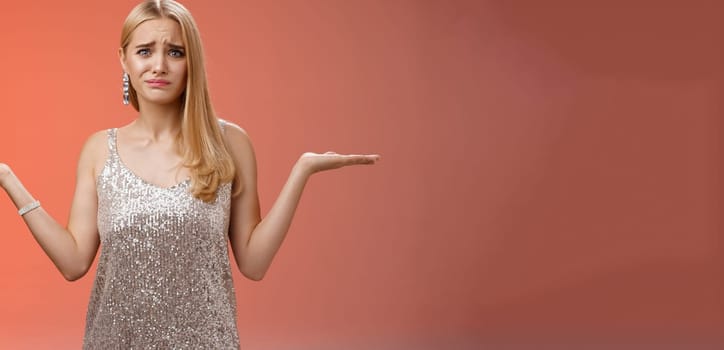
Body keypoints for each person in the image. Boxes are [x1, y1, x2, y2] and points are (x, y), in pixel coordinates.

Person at [0, 0, 379, 348]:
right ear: (124, 59)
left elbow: (254, 263)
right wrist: (8, 179)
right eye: (145, 51)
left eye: (175, 52)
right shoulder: (100, 149)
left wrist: (302, 170)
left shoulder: (230, 142)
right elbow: (73, 262)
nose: (159, 65)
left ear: (191, 60)